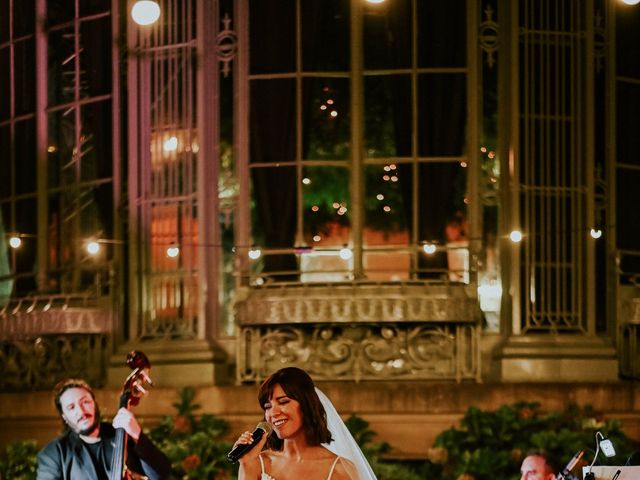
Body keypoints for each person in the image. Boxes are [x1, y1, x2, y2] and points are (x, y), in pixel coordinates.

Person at [233, 367, 376, 480]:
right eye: (267, 407)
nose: (273, 413)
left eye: (283, 402)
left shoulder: (339, 468)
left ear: (306, 405)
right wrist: (246, 464)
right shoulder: (258, 463)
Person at [37, 378, 171, 480]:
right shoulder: (54, 453)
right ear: (64, 416)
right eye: (71, 407)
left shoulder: (121, 436)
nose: (81, 411)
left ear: (95, 404)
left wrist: (137, 434)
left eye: (85, 402)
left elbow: (161, 473)